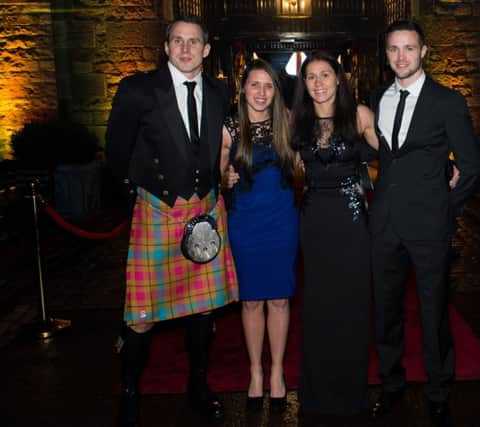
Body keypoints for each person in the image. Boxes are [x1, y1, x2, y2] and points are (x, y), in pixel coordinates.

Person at [105, 17, 238, 427]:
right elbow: (116, 151)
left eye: (193, 41)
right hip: (158, 210)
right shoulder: (138, 89)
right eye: (177, 41)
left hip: (206, 211)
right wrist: (141, 198)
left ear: (206, 49)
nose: (185, 48)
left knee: (203, 311)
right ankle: (130, 393)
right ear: (165, 47)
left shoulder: (219, 91)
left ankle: (197, 387)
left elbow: (223, 145)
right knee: (142, 314)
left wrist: (224, 176)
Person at [369, 20, 480, 426]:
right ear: (386, 55)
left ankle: (438, 389)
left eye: (409, 49)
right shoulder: (377, 97)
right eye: (393, 50)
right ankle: (392, 383)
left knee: (433, 311)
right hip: (383, 224)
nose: (401, 57)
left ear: (424, 52)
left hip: (430, 226)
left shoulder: (447, 101)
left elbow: (470, 167)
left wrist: (444, 210)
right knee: (386, 310)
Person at [291, 50, 379, 416]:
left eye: (324, 75)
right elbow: (290, 168)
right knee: (318, 307)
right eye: (310, 77)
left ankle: (352, 393)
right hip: (314, 224)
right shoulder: (298, 121)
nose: (318, 83)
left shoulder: (358, 115)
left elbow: (394, 158)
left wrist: (440, 169)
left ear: (338, 78)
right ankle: (318, 393)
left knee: (353, 305)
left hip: (352, 222)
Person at [221, 59, 298, 410]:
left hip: (281, 220)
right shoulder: (229, 128)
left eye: (268, 86)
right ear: (243, 89)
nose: (261, 92)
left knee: (280, 299)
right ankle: (255, 373)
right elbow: (214, 173)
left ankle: (277, 372)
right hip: (244, 223)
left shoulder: (289, 124)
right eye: (255, 84)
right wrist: (223, 179)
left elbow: (302, 167)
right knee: (251, 300)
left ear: (276, 92)